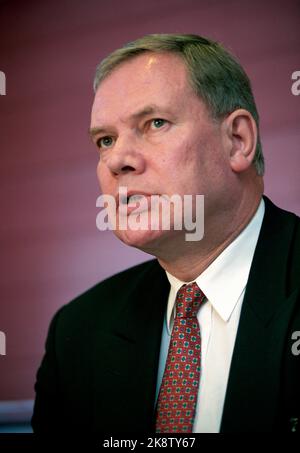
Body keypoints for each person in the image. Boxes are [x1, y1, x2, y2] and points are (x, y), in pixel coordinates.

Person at [31, 34, 300, 433]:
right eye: (105, 140)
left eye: (155, 123)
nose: (118, 160)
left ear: (238, 141)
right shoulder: (78, 332)